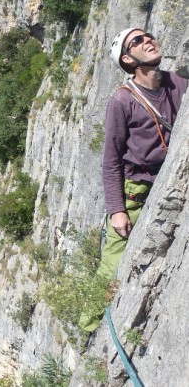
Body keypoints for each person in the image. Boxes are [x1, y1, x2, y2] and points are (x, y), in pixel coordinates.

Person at [79, 27, 188, 333]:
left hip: (172, 178)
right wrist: (116, 210)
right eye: (137, 41)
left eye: (147, 35)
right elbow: (111, 159)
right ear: (128, 59)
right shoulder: (122, 101)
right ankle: (87, 331)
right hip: (136, 191)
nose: (147, 40)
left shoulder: (178, 83)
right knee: (111, 267)